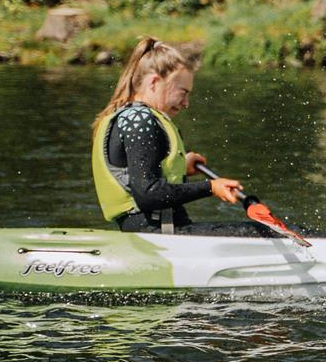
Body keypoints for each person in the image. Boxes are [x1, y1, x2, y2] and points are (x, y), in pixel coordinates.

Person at [90, 36, 260, 235]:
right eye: (183, 92)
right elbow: (148, 194)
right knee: (266, 233)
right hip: (161, 235)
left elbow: (140, 174)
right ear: (154, 82)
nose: (186, 103)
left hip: (154, 232)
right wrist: (210, 187)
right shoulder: (140, 120)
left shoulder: (129, 116)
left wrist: (180, 166)